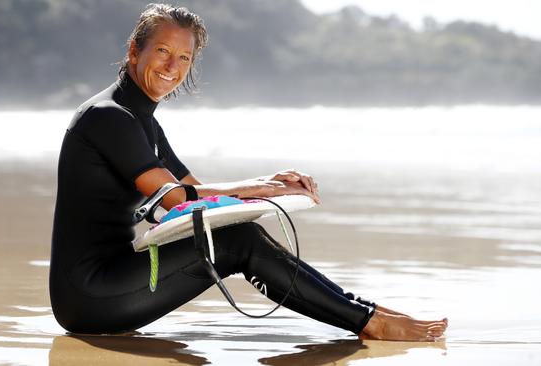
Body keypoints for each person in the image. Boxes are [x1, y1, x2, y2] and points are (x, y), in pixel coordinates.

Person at [49, 3, 448, 341]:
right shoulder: (108, 118)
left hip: (108, 283)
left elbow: (195, 191)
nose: (173, 67)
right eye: (163, 52)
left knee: (237, 236)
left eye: (184, 57)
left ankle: (366, 311)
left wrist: (271, 184)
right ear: (135, 51)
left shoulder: (141, 122)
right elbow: (174, 200)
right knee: (238, 242)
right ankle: (370, 322)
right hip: (91, 296)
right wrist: (260, 187)